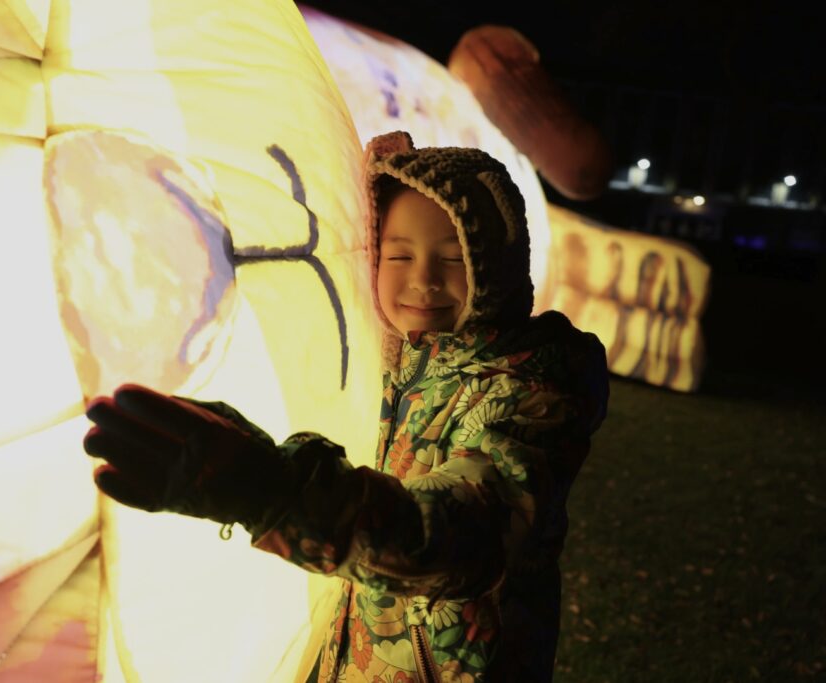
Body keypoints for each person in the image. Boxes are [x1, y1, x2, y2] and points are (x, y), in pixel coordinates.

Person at [83, 131, 609, 682]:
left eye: (455, 258)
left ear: (497, 266)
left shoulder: (533, 392)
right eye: (399, 255)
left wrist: (279, 492)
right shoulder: (399, 365)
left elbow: (469, 534)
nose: (423, 280)